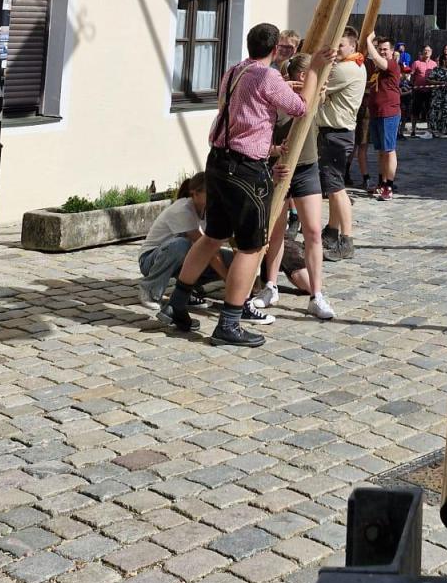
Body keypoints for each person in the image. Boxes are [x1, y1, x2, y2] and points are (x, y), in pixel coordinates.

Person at [166, 22, 330, 347]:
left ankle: (178, 302)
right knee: (252, 247)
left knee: (213, 236)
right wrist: (315, 71)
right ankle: (229, 322)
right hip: (245, 169)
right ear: (274, 50)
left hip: (218, 161)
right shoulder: (268, 77)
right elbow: (301, 109)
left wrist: (285, 86)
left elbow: (256, 101)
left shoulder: (235, 70)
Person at [257, 54, 335, 320]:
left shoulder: (315, 94)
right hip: (278, 169)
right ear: (301, 75)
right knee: (276, 232)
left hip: (306, 168)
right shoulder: (276, 95)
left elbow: (320, 94)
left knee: (313, 230)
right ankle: (270, 286)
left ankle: (317, 295)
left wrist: (316, 81)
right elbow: (260, 137)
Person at [137, 173, 229, 313]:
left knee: (230, 259)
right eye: (210, 192)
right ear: (195, 194)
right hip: (151, 259)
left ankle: (187, 291)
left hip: (183, 258)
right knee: (182, 244)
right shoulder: (182, 209)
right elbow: (206, 248)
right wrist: (228, 279)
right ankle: (149, 289)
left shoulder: (208, 209)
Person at [320, 27, 368, 263]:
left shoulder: (345, 69)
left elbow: (317, 87)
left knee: (336, 188)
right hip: (339, 132)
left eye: (340, 45)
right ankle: (331, 231)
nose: (336, 49)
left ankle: (346, 240)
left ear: (352, 47)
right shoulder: (356, 65)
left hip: (335, 134)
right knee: (333, 186)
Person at [365, 33, 404, 198]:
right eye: (380, 49)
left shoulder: (392, 64)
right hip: (376, 112)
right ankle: (381, 182)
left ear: (392, 51)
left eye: (385, 49)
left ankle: (389, 185)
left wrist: (368, 41)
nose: (382, 52)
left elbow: (376, 58)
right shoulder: (376, 68)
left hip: (389, 112)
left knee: (389, 150)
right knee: (380, 151)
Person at [408, 45, 437, 138]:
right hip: (418, 91)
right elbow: (411, 76)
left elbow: (436, 77)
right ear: (422, 52)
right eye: (425, 50)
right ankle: (413, 130)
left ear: (431, 52)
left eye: (428, 50)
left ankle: (429, 130)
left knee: (429, 111)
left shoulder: (434, 64)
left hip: (430, 91)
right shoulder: (416, 63)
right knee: (415, 111)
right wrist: (413, 86)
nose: (426, 52)